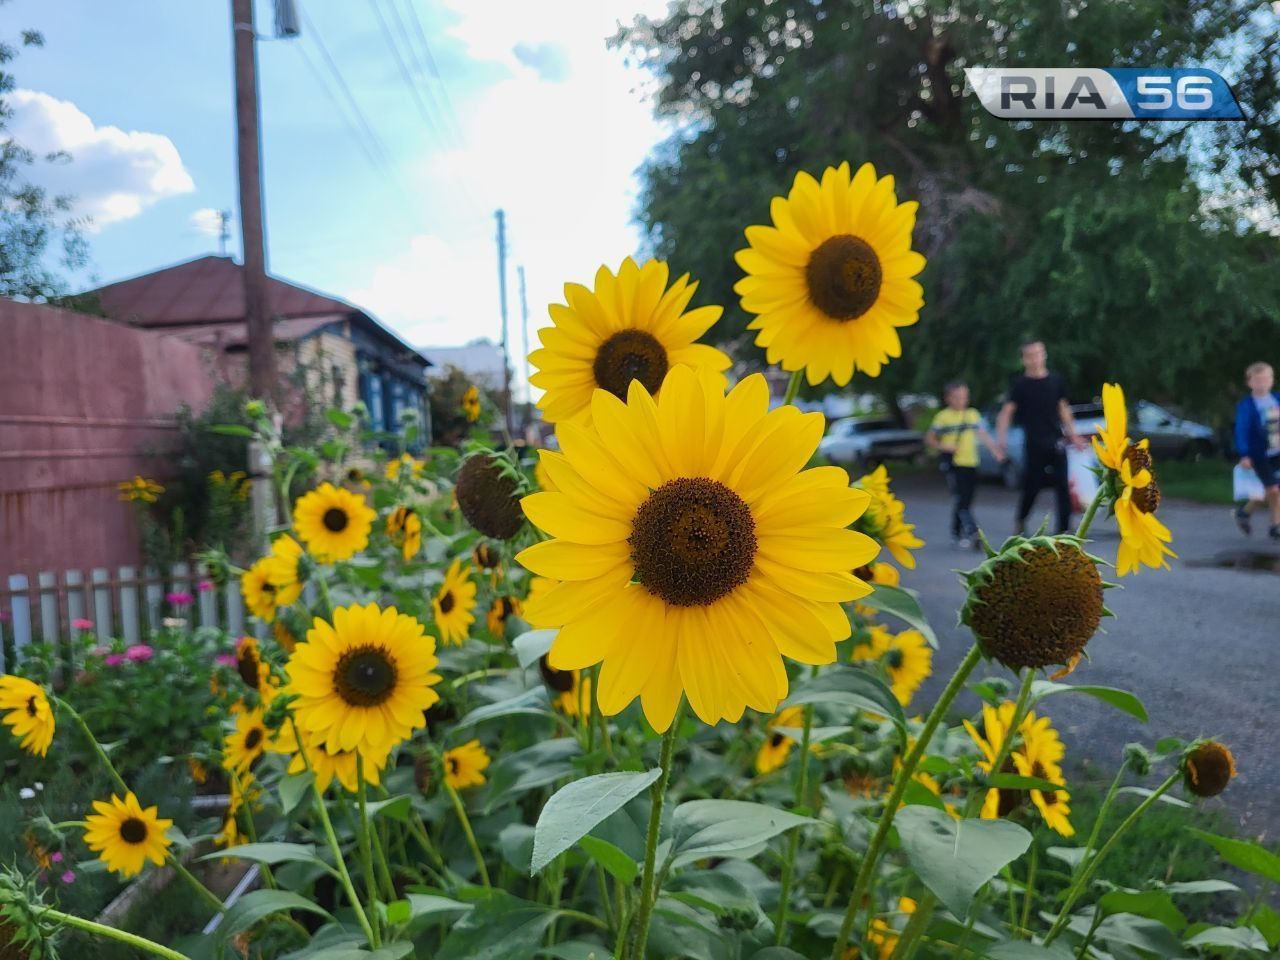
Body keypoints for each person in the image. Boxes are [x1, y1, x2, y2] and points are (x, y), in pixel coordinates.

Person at [995, 340, 1086, 535]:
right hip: (1034, 443)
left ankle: (1064, 529)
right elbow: (1006, 413)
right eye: (1030, 355)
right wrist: (1001, 440)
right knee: (1032, 486)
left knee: (1062, 485)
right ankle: (1021, 520)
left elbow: (1063, 409)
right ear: (1024, 359)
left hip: (1057, 441)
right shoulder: (1020, 384)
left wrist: (1074, 435)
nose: (1035, 359)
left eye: (1038, 353)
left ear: (1044, 354)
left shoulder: (1055, 380)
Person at [925, 380, 1004, 549]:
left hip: (971, 462)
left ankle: (956, 532)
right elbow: (930, 438)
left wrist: (996, 451)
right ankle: (972, 532)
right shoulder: (943, 417)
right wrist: (944, 446)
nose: (962, 400)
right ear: (948, 398)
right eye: (957, 397)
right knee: (961, 498)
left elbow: (983, 434)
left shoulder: (972, 414)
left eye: (964, 397)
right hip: (954, 464)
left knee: (966, 499)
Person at [1232, 361, 1280, 539]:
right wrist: (1244, 453)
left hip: (1278, 452)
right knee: (1272, 490)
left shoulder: (1277, 399)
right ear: (1249, 382)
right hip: (1259, 455)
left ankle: (1272, 525)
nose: (1262, 383)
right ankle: (1249, 515)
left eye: (1265, 379)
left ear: (1272, 380)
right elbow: (1242, 430)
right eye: (1257, 380)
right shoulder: (1247, 405)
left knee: (1275, 491)